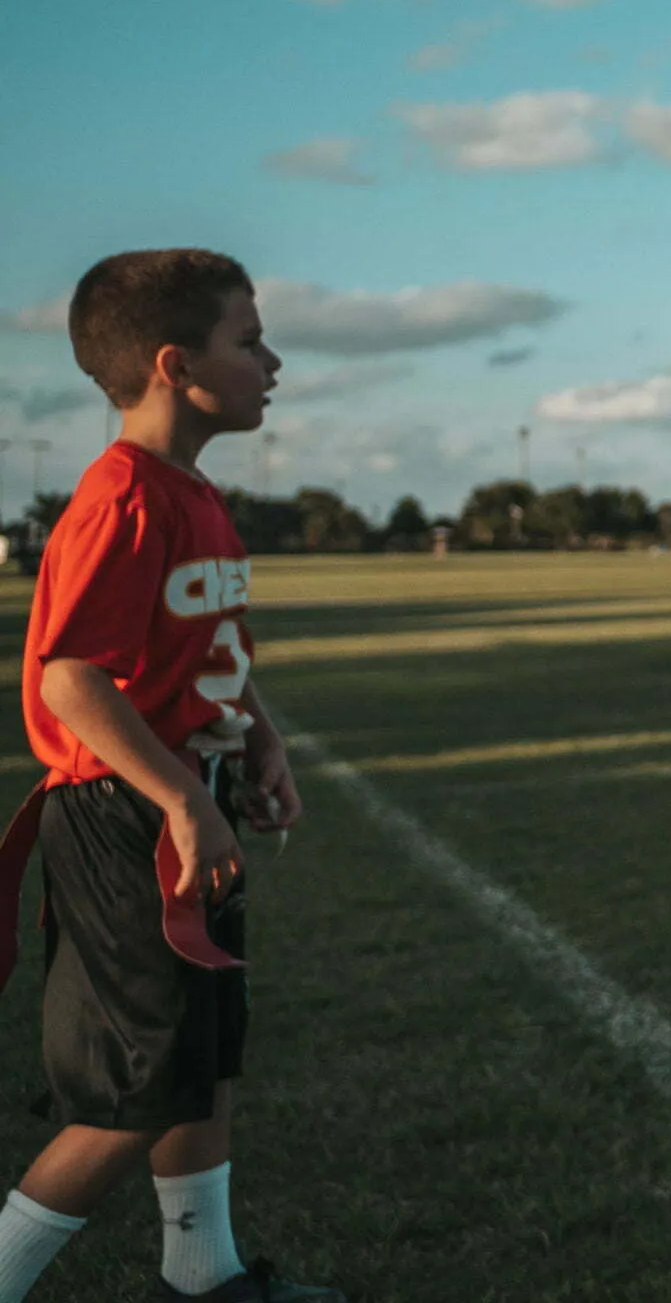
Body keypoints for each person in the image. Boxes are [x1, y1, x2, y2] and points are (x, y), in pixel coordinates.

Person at [3, 251, 336, 1301]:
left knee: (198, 1058)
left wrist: (258, 739)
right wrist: (185, 800)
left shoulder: (193, 491)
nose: (272, 361)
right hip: (125, 817)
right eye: (250, 340)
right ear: (173, 364)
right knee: (130, 1095)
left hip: (182, 798)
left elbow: (197, 658)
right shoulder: (123, 498)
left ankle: (207, 1276)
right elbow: (71, 682)